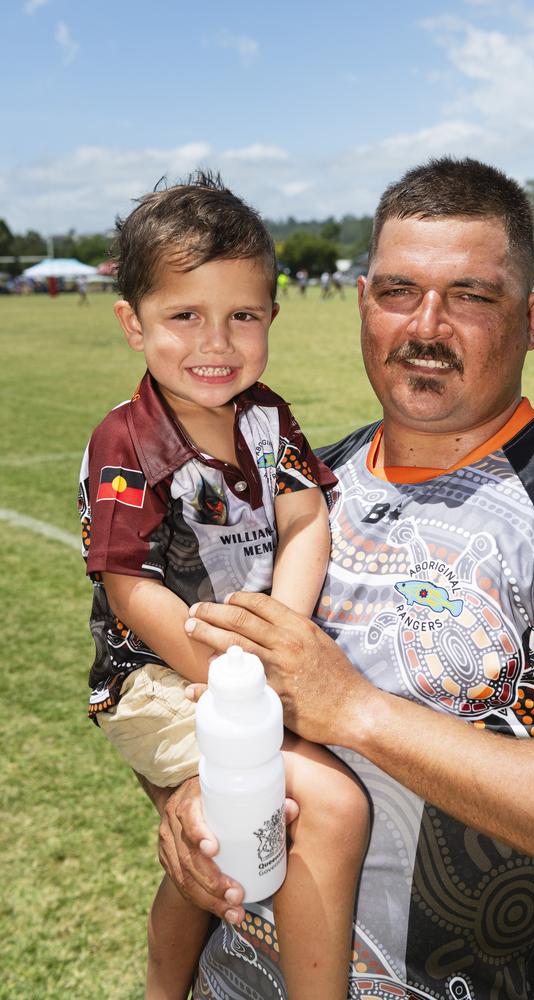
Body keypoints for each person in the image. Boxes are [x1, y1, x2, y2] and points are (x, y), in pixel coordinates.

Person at [160, 157, 534, 1000]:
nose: (426, 326)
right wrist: (184, 799)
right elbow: (200, 682)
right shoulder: (300, 484)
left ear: (533, 316)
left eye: (471, 296)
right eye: (397, 292)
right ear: (362, 303)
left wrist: (358, 711)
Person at [78, 171, 369, 1000]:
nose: (217, 342)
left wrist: (284, 630)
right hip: (156, 677)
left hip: (244, 665)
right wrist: (240, 676)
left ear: (271, 317)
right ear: (132, 324)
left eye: (242, 315)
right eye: (184, 316)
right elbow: (131, 586)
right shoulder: (125, 439)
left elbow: (306, 518)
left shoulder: (267, 417)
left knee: (217, 848)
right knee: (323, 804)